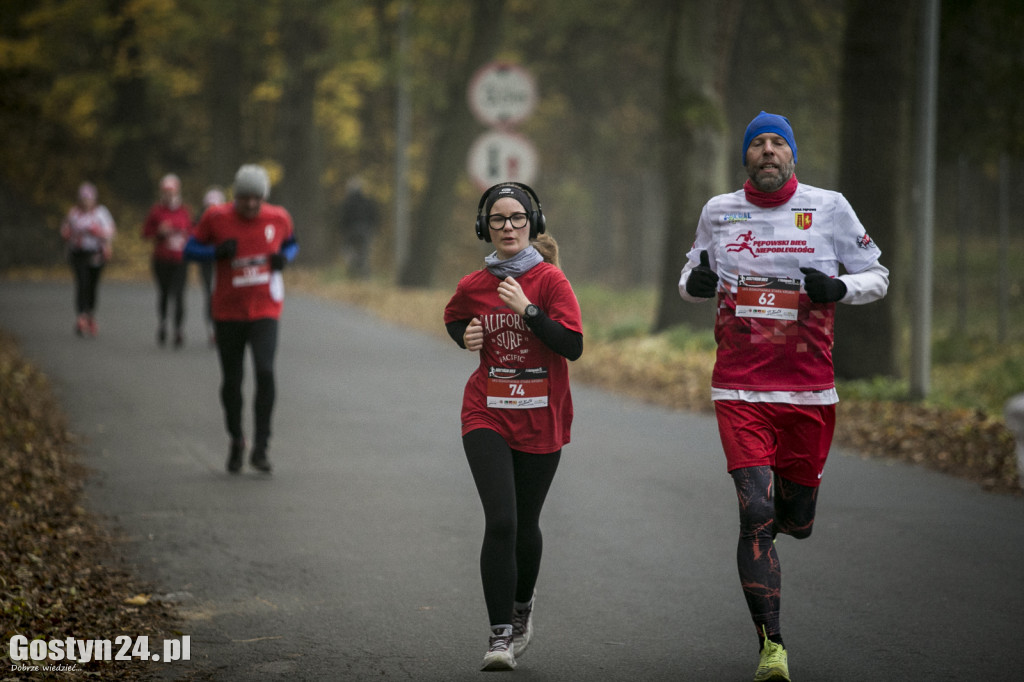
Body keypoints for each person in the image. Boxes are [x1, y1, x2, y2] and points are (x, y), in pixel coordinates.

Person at [678, 111, 889, 682]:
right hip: (739, 388)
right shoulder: (719, 212)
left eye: (778, 143)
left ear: (792, 155)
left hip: (809, 393)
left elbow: (878, 275)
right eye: (758, 144)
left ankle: (797, 516)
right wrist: (694, 287)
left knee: (795, 519)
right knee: (756, 514)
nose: (768, 151)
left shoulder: (830, 207)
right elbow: (693, 273)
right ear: (745, 156)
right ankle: (773, 647)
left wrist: (840, 286)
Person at [443, 183, 583, 671]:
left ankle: (522, 608)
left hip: (541, 418)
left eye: (517, 218)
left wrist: (527, 308)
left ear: (533, 224)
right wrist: (467, 335)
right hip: (486, 412)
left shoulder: (550, 283)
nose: (507, 227)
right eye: (498, 220)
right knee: (500, 520)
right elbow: (454, 319)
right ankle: (500, 636)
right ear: (485, 227)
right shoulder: (473, 284)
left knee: (526, 524)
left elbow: (571, 345)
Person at [184, 165, 298, 474]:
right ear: (236, 195)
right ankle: (236, 439)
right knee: (232, 382)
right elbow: (190, 248)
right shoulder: (216, 217)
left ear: (264, 197)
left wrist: (285, 258)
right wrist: (215, 253)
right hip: (228, 312)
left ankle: (262, 446)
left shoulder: (278, 217)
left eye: (256, 198)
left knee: (265, 371)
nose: (250, 204)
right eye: (244, 198)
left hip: (265, 310)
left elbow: (291, 243)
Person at [142, 174, 193, 347]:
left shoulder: (185, 210)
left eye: (172, 192)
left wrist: (185, 236)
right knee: (164, 293)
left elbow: (193, 232)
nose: (169, 195)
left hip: (180, 260)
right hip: (161, 260)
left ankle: (178, 329)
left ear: (177, 191)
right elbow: (145, 233)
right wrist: (159, 232)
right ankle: (163, 323)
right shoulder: (156, 211)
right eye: (165, 192)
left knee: (179, 295)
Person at [60, 182, 116, 337]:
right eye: (83, 199)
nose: (86, 202)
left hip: (96, 254)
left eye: (89, 199)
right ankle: (81, 316)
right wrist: (67, 234)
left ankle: (90, 313)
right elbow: (65, 230)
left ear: (94, 199)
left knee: (92, 285)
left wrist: (98, 232)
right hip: (78, 254)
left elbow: (111, 231)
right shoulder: (74, 214)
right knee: (81, 282)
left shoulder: (101, 213)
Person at [195, 186, 226, 346]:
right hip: (207, 264)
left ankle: (224, 328)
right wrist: (212, 251)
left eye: (216, 207)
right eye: (209, 207)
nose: (213, 211)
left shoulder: (230, 221)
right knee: (211, 295)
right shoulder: (201, 222)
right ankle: (212, 330)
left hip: (225, 265)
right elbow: (193, 246)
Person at [337, 176, 379, 278]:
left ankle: (354, 265)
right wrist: (373, 229)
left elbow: (343, 218)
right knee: (365, 253)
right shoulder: (368, 201)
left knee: (347, 249)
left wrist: (342, 230)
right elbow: (375, 216)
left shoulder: (347, 202)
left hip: (351, 231)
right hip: (366, 230)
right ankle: (365, 275)